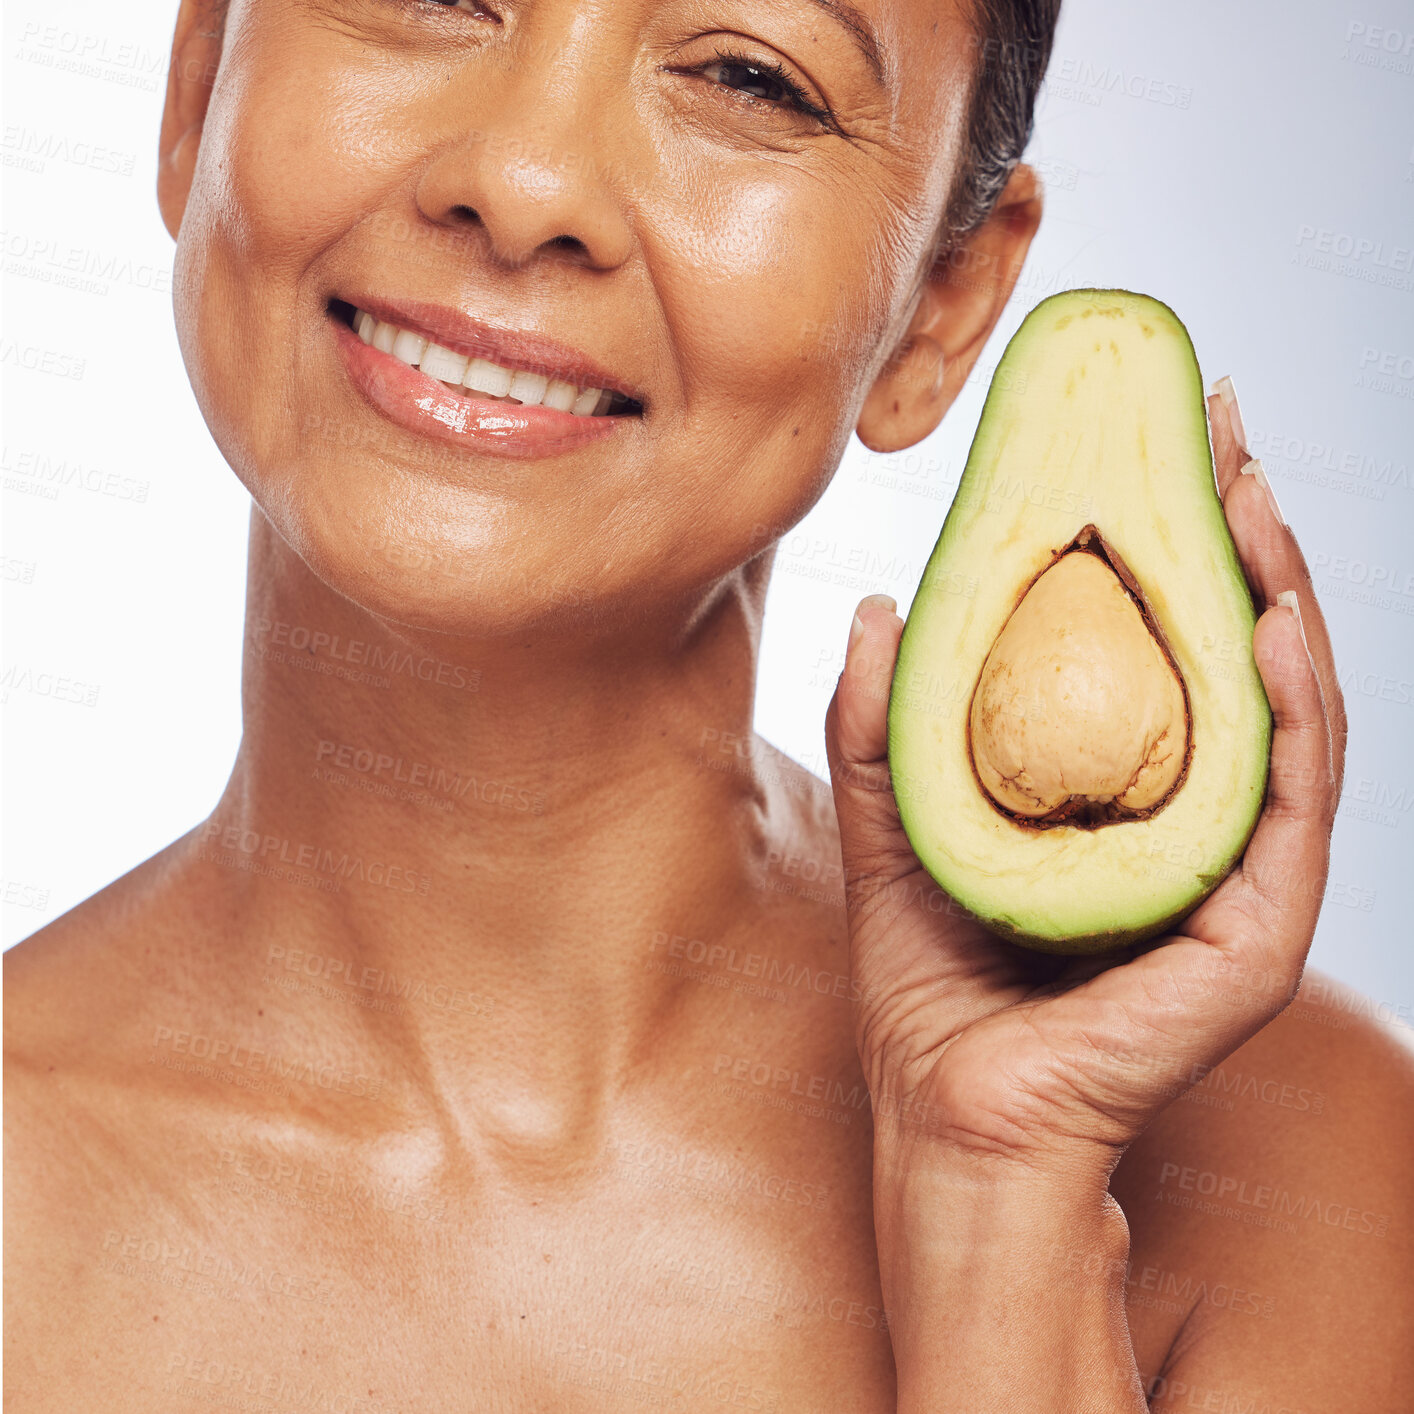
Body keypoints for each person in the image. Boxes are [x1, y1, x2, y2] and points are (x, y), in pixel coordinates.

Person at [6, 0, 1411, 1407]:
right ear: (199, 83)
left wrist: (1000, 1213)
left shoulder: (1297, 1179)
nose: (522, 180)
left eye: (749, 75)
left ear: (939, 307)